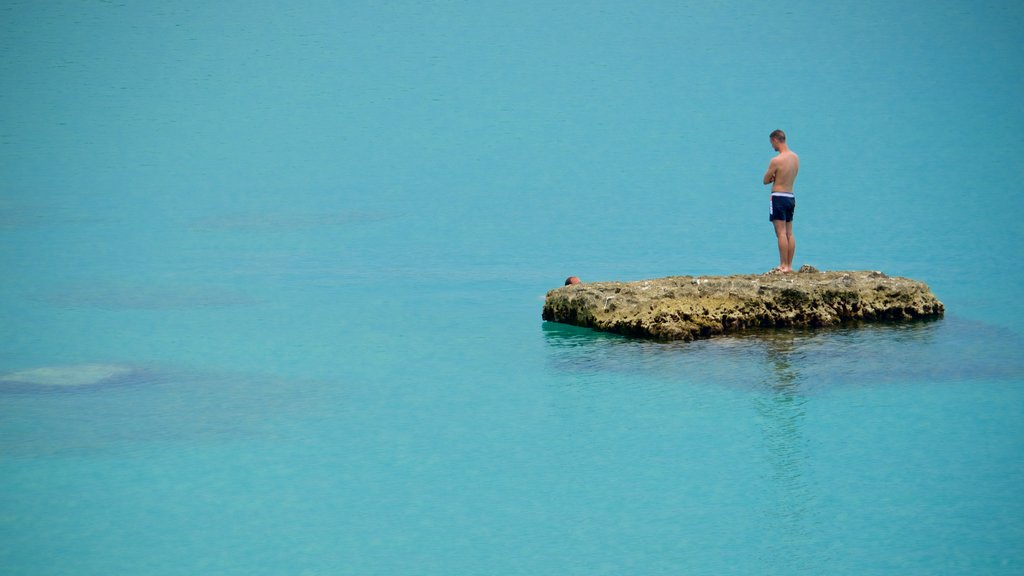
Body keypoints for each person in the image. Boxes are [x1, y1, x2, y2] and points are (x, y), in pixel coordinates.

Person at [763, 129, 799, 272]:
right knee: (789, 232)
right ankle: (789, 265)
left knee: (781, 233)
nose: (772, 146)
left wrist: (773, 177)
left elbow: (765, 180)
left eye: (772, 143)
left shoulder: (776, 160)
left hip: (778, 196)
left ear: (775, 140)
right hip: (790, 196)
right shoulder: (795, 158)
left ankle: (783, 265)